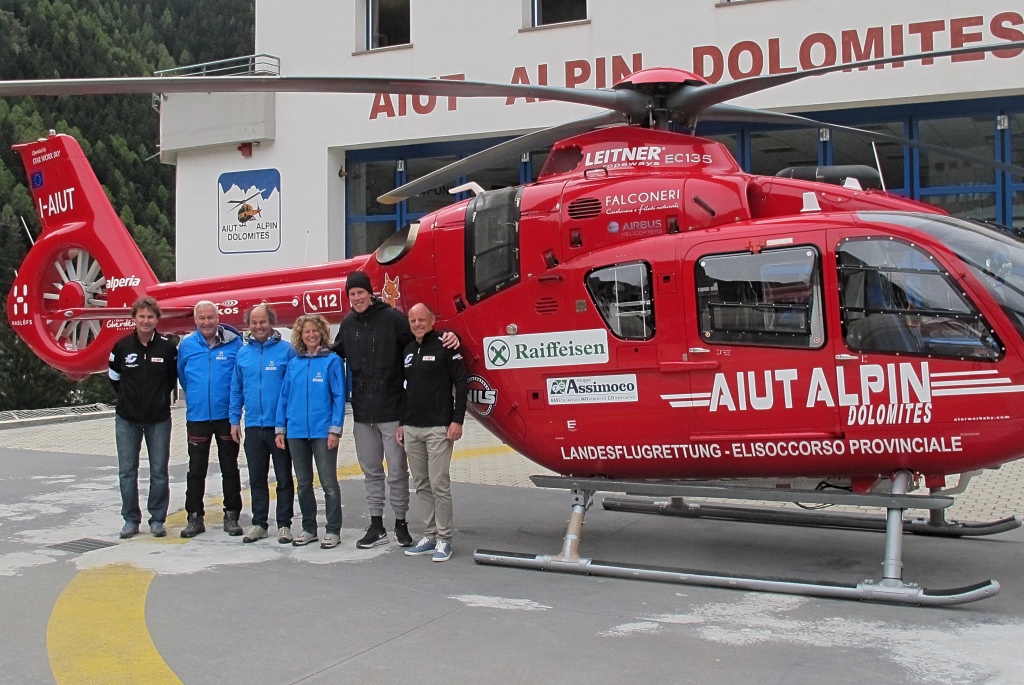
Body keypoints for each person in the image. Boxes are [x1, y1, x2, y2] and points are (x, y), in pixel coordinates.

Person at [396, 303, 468, 562]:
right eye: (413, 320)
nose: (417, 324)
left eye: (421, 319)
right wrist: (403, 423)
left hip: (439, 427)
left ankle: (444, 540)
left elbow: (461, 382)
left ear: (432, 319)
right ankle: (429, 534)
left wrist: (457, 421)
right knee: (422, 484)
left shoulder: (445, 345)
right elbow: (406, 389)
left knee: (439, 484)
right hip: (412, 428)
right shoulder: (407, 350)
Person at [108, 296, 178, 539]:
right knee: (127, 471)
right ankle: (130, 519)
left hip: (158, 419)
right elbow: (114, 379)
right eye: (142, 316)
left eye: (150, 316)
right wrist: (129, 399)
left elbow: (171, 380)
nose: (146, 321)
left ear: (157, 319)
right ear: (134, 319)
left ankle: (157, 519)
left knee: (159, 471)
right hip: (127, 420)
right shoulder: (121, 347)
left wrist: (156, 399)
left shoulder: (167, 348)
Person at [276, 314, 346, 548]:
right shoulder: (294, 363)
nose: (311, 335)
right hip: (296, 432)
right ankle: (309, 528)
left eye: (315, 331)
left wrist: (335, 429)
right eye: (306, 331)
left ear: (322, 333)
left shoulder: (332, 361)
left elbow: (339, 397)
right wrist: (280, 428)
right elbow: (284, 397)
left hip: (322, 431)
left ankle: (333, 530)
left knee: (328, 483)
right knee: (304, 483)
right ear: (300, 335)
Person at [177, 301, 244, 538]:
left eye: (210, 317)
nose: (206, 322)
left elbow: (239, 380)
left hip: (226, 416)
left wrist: (235, 413)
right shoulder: (186, 346)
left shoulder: (234, 343)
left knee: (229, 467)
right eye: (201, 318)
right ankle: (194, 517)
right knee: (196, 469)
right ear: (195, 320)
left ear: (218, 318)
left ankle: (232, 515)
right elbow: (184, 378)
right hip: (197, 416)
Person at [230, 304, 296, 544]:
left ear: (272, 323)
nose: (258, 327)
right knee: (257, 478)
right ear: (249, 325)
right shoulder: (242, 353)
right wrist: (234, 419)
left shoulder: (286, 351)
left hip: (279, 428)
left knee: (283, 478)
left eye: (263, 322)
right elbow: (236, 388)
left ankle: (284, 524)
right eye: (254, 323)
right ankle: (259, 523)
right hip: (253, 426)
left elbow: (292, 389)